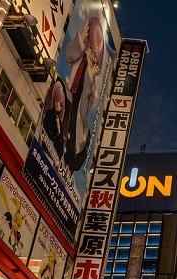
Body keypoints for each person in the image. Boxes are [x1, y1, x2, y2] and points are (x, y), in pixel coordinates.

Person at [62, 16, 107, 171]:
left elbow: (87, 97)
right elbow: (69, 56)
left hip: (78, 107)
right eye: (92, 45)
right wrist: (80, 37)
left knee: (75, 130)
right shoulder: (80, 54)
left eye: (97, 50)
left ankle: (72, 157)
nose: (93, 52)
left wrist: (90, 75)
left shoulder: (92, 72)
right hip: (69, 96)